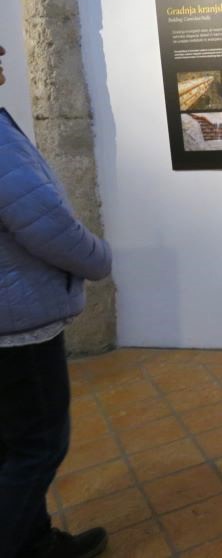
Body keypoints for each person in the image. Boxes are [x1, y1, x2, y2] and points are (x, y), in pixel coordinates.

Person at [0, 43, 113, 558]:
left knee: (11, 443)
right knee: (39, 444)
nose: (3, 49)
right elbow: (48, 226)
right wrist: (100, 258)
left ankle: (34, 541)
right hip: (17, 326)